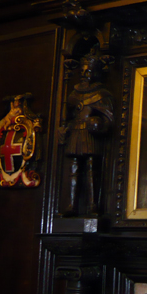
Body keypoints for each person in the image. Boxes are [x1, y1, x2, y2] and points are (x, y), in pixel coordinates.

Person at [59, 48, 114, 215]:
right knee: (74, 168)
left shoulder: (101, 93)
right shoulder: (74, 94)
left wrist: (99, 123)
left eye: (88, 70)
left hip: (90, 135)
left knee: (91, 167)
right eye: (82, 70)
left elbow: (109, 117)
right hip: (76, 132)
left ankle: (93, 204)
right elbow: (66, 116)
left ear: (95, 72)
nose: (84, 73)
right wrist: (64, 128)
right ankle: (71, 205)